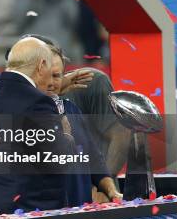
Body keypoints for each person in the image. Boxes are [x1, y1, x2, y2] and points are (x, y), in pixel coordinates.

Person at [0, 37, 74, 217]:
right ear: (41, 65)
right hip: (24, 214)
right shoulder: (39, 102)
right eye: (51, 71)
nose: (51, 82)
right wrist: (66, 134)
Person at [42, 48, 121, 205]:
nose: (51, 82)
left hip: (81, 211)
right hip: (45, 213)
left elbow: (95, 155)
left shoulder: (73, 107)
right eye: (44, 76)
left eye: (56, 75)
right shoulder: (20, 111)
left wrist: (106, 188)